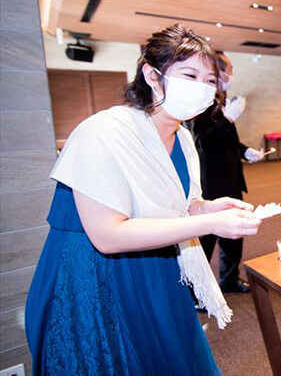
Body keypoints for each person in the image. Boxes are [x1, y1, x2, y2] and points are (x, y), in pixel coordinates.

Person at [25, 24, 262, 375]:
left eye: (210, 80)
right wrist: (209, 222)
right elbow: (107, 236)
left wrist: (210, 207)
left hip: (157, 266)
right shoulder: (103, 132)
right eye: (189, 75)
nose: (202, 88)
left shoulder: (182, 138)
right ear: (152, 75)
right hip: (94, 276)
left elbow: (181, 204)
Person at [188, 51, 264, 294]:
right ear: (217, 72)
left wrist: (246, 151)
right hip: (212, 182)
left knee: (234, 234)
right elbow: (203, 141)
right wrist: (228, 118)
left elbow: (226, 140)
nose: (232, 74)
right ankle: (196, 290)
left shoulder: (221, 99)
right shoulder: (201, 102)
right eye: (229, 69)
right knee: (206, 237)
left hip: (230, 178)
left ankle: (229, 280)